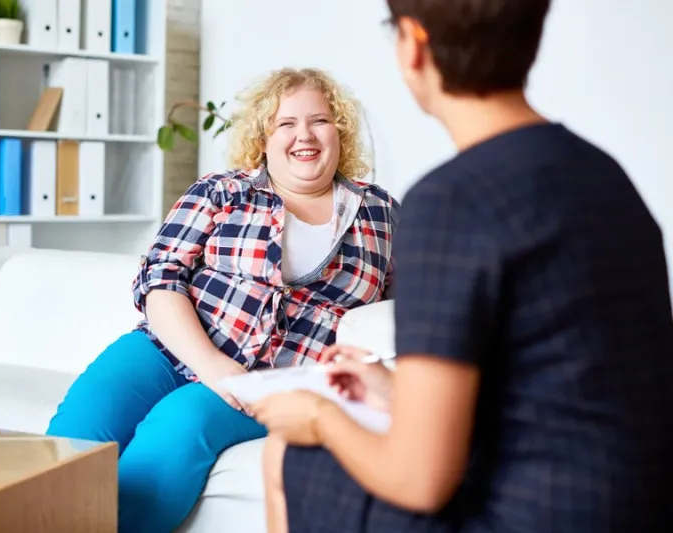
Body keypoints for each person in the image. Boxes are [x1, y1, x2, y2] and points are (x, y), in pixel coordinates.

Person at [252, 1, 673, 532]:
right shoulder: (603, 175)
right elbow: (557, 383)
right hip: (634, 505)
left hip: (531, 517)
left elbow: (419, 480)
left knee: (285, 454)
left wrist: (319, 417)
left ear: (413, 45)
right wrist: (394, 390)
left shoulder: (450, 201)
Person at [45, 67, 399, 533]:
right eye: (286, 123)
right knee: (68, 447)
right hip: (164, 351)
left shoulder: (381, 214)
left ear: (341, 131)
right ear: (264, 137)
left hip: (269, 382)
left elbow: (406, 309)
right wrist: (212, 364)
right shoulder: (221, 191)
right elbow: (159, 278)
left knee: (179, 427)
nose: (304, 135)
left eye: (319, 121)